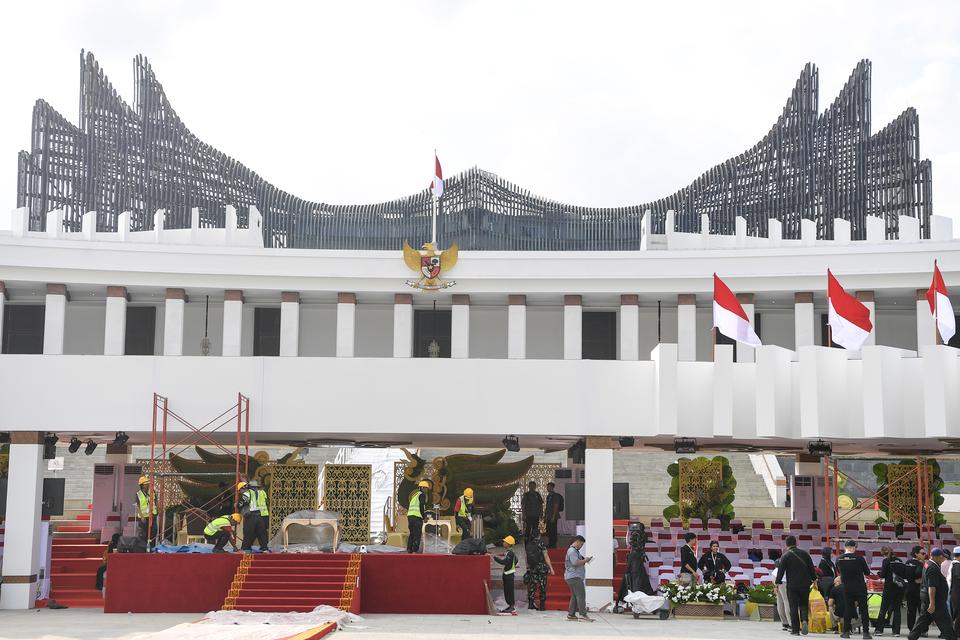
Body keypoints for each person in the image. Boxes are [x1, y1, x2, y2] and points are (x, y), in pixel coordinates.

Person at [908, 548, 957, 640]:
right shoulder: (932, 568)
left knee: (924, 619)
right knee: (945, 620)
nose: (943, 559)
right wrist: (932, 603)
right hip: (935, 601)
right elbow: (932, 586)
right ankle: (951, 638)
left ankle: (912, 636)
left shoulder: (928, 564)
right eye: (942, 557)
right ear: (937, 557)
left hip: (929, 598)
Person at [776, 534, 818, 636]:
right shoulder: (805, 554)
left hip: (792, 585)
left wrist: (778, 582)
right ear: (796, 543)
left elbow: (780, 571)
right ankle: (804, 621)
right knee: (803, 604)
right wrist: (814, 579)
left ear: (786, 545)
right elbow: (811, 568)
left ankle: (795, 630)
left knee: (793, 606)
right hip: (805, 584)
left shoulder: (785, 556)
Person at [836, 539, 872, 639]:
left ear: (845, 547)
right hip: (860, 587)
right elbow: (867, 572)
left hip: (847, 587)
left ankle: (846, 632)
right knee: (864, 609)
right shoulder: (859, 558)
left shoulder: (839, 559)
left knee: (848, 609)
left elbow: (839, 571)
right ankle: (866, 633)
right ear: (853, 547)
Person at [875, 545, 906, 637]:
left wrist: (879, 573)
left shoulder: (886, 561)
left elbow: (883, 574)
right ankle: (896, 631)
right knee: (897, 610)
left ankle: (879, 630)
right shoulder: (900, 561)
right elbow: (904, 574)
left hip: (889, 588)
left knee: (883, 609)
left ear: (882, 553)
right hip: (899, 588)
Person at [565, 535, 594, 622]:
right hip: (575, 576)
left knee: (574, 596)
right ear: (577, 542)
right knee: (581, 595)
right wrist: (585, 560)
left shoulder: (574, 551)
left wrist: (585, 560)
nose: (581, 546)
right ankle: (582, 615)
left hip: (571, 576)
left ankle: (571, 615)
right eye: (581, 544)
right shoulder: (572, 551)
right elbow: (575, 562)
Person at [238, 479, 270, 552]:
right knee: (262, 533)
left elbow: (241, 504)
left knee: (248, 532)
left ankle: (245, 548)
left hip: (251, 516)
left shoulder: (248, 493)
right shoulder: (263, 492)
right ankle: (264, 548)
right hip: (262, 516)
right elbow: (267, 503)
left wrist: (237, 505)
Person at [524, 535, 554, 611]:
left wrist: (527, 567)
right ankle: (542, 605)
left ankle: (531, 604)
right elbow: (546, 556)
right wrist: (551, 568)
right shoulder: (541, 544)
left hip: (532, 567)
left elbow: (526, 557)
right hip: (542, 567)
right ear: (538, 536)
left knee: (532, 585)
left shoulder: (529, 544)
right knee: (542, 585)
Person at [903, 546, 927, 631]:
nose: (925, 555)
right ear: (916, 554)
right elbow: (924, 576)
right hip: (919, 590)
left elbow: (906, 575)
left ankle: (911, 629)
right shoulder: (921, 564)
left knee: (911, 611)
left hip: (910, 588)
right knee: (922, 611)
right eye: (923, 553)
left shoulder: (907, 562)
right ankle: (923, 630)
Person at [493, 535, 519, 614]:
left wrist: (495, 558)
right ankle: (510, 606)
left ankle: (511, 607)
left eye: (505, 542)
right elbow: (516, 560)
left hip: (509, 575)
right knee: (507, 591)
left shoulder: (510, 553)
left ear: (508, 543)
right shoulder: (510, 552)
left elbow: (504, 562)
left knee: (509, 592)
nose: (503, 543)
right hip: (508, 574)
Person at [406, 480, 430, 554]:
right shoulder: (422, 495)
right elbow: (421, 506)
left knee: (412, 534)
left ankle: (409, 549)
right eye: (426, 488)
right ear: (422, 488)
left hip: (410, 517)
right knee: (417, 534)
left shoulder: (415, 495)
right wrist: (424, 517)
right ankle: (415, 551)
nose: (427, 490)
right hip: (416, 517)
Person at [135, 476, 158, 544]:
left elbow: (156, 501)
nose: (148, 485)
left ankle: (152, 548)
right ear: (142, 485)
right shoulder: (138, 494)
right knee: (143, 534)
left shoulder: (152, 492)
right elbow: (138, 506)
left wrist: (158, 509)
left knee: (153, 532)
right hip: (144, 518)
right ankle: (143, 549)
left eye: (148, 483)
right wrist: (142, 516)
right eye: (146, 483)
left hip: (153, 515)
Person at [544, 482, 564, 549]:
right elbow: (547, 507)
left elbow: (556, 506)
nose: (547, 488)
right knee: (549, 530)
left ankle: (553, 545)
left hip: (553, 516)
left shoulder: (555, 496)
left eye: (549, 487)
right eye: (547, 487)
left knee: (553, 531)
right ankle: (550, 544)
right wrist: (546, 516)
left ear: (552, 487)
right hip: (549, 516)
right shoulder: (549, 496)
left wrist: (553, 516)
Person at [951, 547, 960, 636]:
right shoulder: (957, 565)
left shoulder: (954, 564)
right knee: (958, 614)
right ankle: (956, 633)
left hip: (955, 592)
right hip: (957, 593)